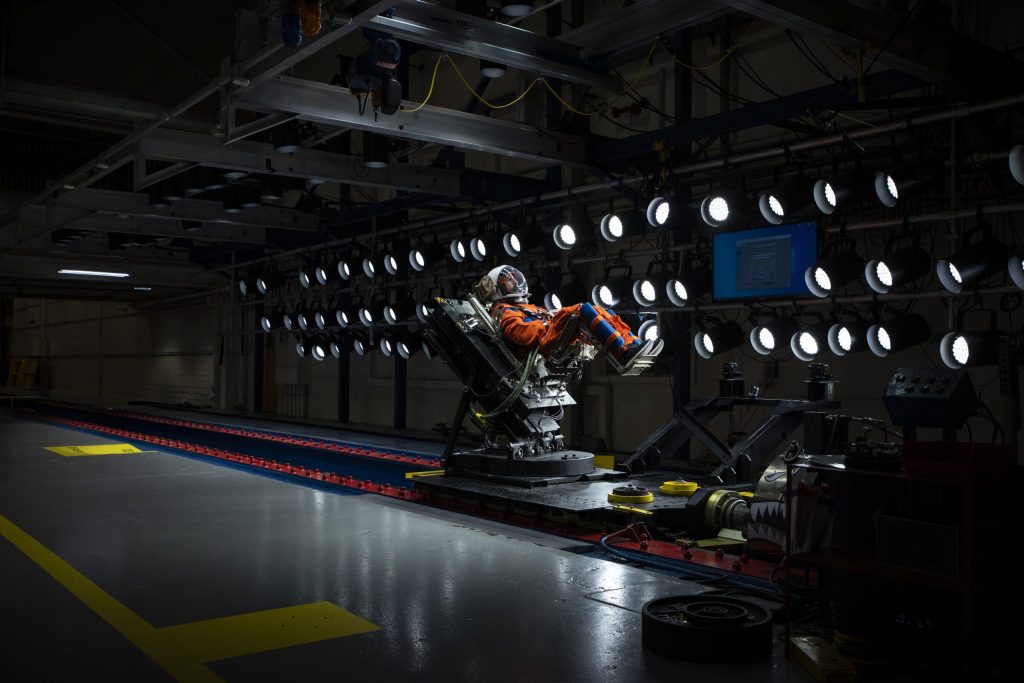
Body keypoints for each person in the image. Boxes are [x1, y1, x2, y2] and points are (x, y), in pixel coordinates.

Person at [474, 265, 662, 373]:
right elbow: (524, 335)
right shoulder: (503, 311)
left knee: (603, 311)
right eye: (508, 280)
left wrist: (551, 317)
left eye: (514, 278)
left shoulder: (527, 306)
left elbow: (542, 318)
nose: (514, 282)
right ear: (498, 288)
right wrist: (550, 320)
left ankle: (632, 344)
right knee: (583, 309)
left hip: (551, 335)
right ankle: (621, 353)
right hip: (543, 344)